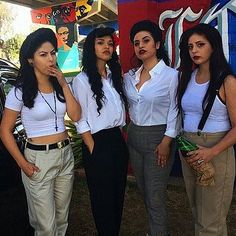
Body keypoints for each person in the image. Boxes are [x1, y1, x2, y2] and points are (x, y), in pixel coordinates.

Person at [0, 28, 81, 236]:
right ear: (30, 60)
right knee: (45, 225)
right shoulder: (20, 91)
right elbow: (5, 131)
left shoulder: (59, 85)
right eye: (43, 54)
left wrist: (64, 83)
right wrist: (22, 163)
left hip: (64, 155)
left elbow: (76, 115)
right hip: (38, 159)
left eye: (52, 53)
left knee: (62, 219)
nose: (50, 59)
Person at [177, 23, 236, 236]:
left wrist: (211, 152)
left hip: (216, 150)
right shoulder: (187, 78)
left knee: (211, 219)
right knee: (198, 212)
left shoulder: (227, 81)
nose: (194, 51)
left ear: (213, 46)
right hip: (190, 149)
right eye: (191, 46)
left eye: (200, 45)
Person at [124, 20, 179, 236]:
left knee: (155, 195)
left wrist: (166, 141)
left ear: (157, 44)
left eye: (146, 40)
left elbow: (175, 110)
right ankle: (155, 230)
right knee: (144, 192)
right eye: (136, 43)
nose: (140, 46)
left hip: (159, 139)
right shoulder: (130, 77)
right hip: (135, 136)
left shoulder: (170, 76)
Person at [72, 27, 129, 236]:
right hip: (97, 142)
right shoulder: (82, 80)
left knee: (117, 195)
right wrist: (91, 145)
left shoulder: (114, 76)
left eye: (110, 43)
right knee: (102, 198)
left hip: (116, 140)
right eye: (101, 42)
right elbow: (80, 119)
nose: (107, 46)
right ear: (91, 47)